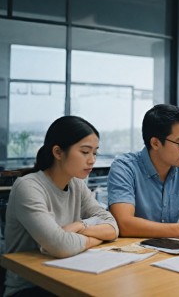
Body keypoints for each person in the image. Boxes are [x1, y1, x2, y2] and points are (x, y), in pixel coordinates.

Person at [4, 116, 119, 297]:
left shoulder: (77, 184)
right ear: (58, 152)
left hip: (68, 276)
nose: (92, 160)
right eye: (85, 152)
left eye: (95, 152)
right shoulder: (28, 186)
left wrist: (79, 226)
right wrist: (95, 237)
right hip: (29, 287)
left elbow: (112, 227)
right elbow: (61, 245)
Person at [107, 104, 179, 239]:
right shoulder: (125, 168)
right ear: (155, 143)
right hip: (130, 251)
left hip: (167, 249)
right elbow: (124, 224)